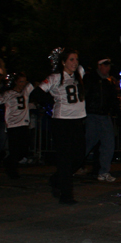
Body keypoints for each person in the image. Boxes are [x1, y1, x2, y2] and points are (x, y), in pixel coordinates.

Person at [38, 49, 86, 204]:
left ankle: (56, 178)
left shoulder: (79, 73)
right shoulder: (54, 78)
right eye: (71, 59)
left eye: (76, 59)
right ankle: (66, 194)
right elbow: (36, 94)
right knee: (65, 159)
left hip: (78, 120)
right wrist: (51, 101)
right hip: (62, 121)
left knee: (79, 156)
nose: (75, 62)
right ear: (63, 62)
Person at [0, 72, 34, 179]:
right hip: (13, 125)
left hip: (24, 124)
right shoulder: (8, 94)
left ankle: (8, 162)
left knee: (24, 149)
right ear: (16, 82)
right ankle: (12, 170)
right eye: (20, 81)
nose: (22, 84)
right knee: (15, 149)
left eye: (24, 82)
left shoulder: (26, 92)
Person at [83, 57, 118, 182]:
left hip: (104, 115)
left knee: (109, 143)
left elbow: (113, 99)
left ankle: (104, 171)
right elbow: (85, 94)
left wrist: (116, 111)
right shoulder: (90, 78)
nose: (108, 68)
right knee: (88, 142)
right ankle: (72, 166)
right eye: (105, 65)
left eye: (109, 66)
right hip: (92, 115)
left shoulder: (109, 81)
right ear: (99, 66)